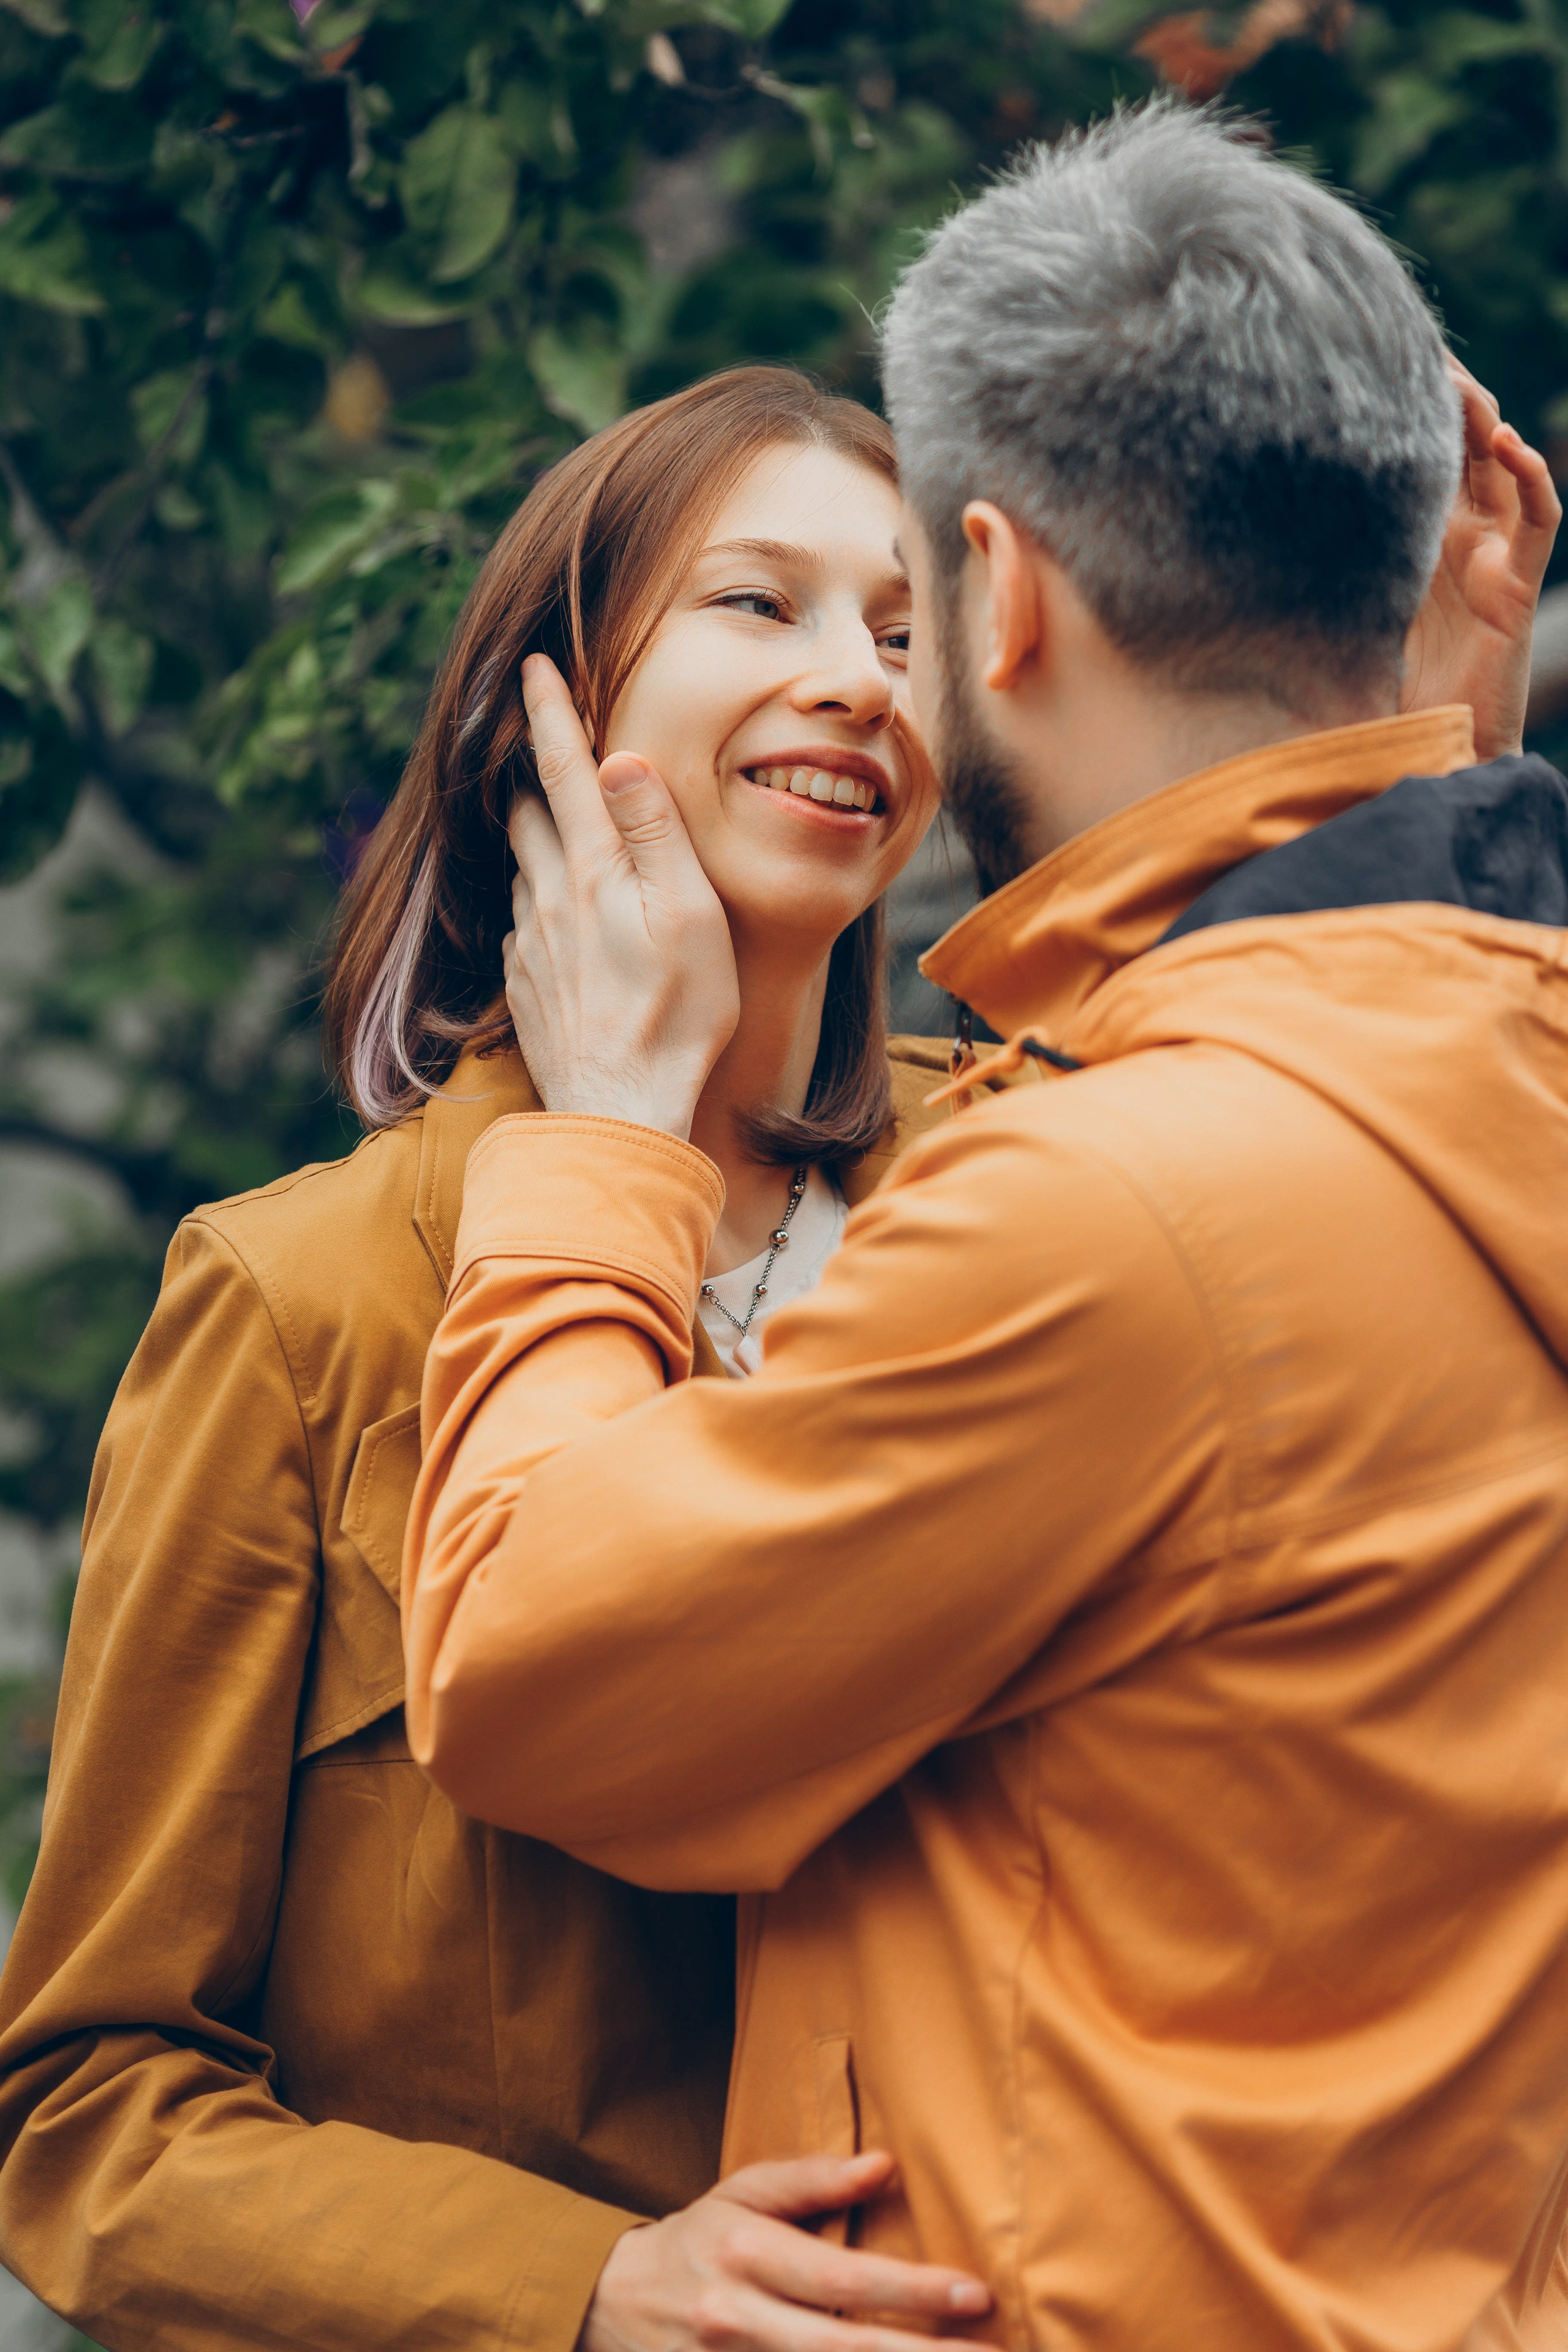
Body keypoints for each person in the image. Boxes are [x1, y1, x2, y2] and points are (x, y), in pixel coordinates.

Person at [402, 100, 1568, 2352]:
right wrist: (1429, 764)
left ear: (1004, 599)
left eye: (903, 601)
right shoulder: (1464, 1064)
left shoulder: (1120, 1194)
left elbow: (540, 1665)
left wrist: (606, 1142)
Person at [0, 367, 1009, 2352]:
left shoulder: (1049, 1181)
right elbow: (88, 2111)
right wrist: (584, 2291)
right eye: (761, 606)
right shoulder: (304, 1305)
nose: (858, 681)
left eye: (908, 635)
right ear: (543, 714)